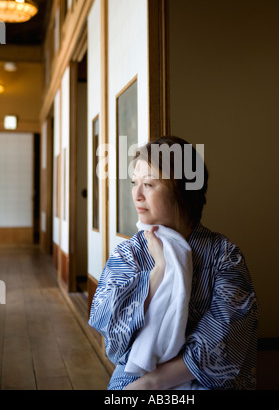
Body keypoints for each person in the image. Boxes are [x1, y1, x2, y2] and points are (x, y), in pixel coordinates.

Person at [89, 135, 258, 390]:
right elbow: (108, 328)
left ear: (183, 189)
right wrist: (158, 273)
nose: (136, 195)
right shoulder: (129, 253)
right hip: (135, 375)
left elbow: (229, 335)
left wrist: (152, 384)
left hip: (205, 382)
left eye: (149, 184)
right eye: (134, 183)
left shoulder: (224, 255)